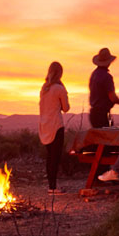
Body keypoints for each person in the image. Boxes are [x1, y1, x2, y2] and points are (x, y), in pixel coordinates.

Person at [39, 61, 70, 194]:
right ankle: (53, 187)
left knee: (50, 156)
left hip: (44, 126)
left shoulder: (44, 88)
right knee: (55, 157)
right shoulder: (59, 89)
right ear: (60, 73)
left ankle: (51, 186)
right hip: (56, 126)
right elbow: (66, 108)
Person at [88, 47, 119, 127]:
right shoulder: (107, 77)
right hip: (102, 114)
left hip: (93, 114)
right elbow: (112, 97)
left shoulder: (94, 74)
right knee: (107, 134)